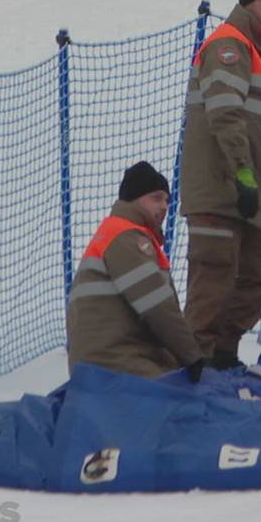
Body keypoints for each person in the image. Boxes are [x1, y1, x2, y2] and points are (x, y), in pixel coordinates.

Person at [180, 0, 261, 369]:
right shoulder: (228, 45)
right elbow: (226, 118)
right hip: (219, 189)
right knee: (213, 279)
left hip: (250, 193)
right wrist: (245, 178)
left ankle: (224, 351)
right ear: (249, 2)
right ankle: (192, 364)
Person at [66, 161, 207, 381]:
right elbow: (157, 306)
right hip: (115, 365)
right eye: (156, 198)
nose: (164, 206)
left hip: (102, 363)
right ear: (134, 198)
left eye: (167, 200)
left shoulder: (115, 233)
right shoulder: (127, 239)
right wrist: (193, 357)